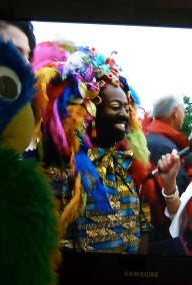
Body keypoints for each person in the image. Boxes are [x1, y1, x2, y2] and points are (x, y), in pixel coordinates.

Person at [31, 41, 153, 257]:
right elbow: (55, 243)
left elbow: (143, 224)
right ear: (89, 111)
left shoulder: (127, 164)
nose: (125, 114)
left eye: (127, 108)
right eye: (116, 107)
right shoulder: (62, 168)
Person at [145, 94, 190, 240]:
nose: (184, 115)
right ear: (176, 113)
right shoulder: (162, 146)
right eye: (183, 111)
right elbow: (174, 209)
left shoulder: (151, 139)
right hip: (164, 238)